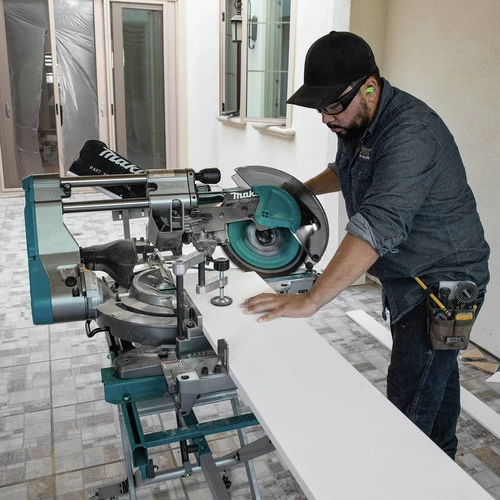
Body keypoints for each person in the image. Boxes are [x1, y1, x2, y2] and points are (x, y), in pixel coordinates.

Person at [241, 31, 490, 460]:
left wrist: (311, 300)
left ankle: (408, 474)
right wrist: (296, 192)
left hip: (442, 286)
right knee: (438, 381)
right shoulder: (358, 121)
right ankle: (442, 465)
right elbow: (344, 170)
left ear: (369, 88)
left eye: (333, 106)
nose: (326, 118)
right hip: (412, 276)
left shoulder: (411, 133)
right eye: (320, 109)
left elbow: (377, 225)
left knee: (408, 407)